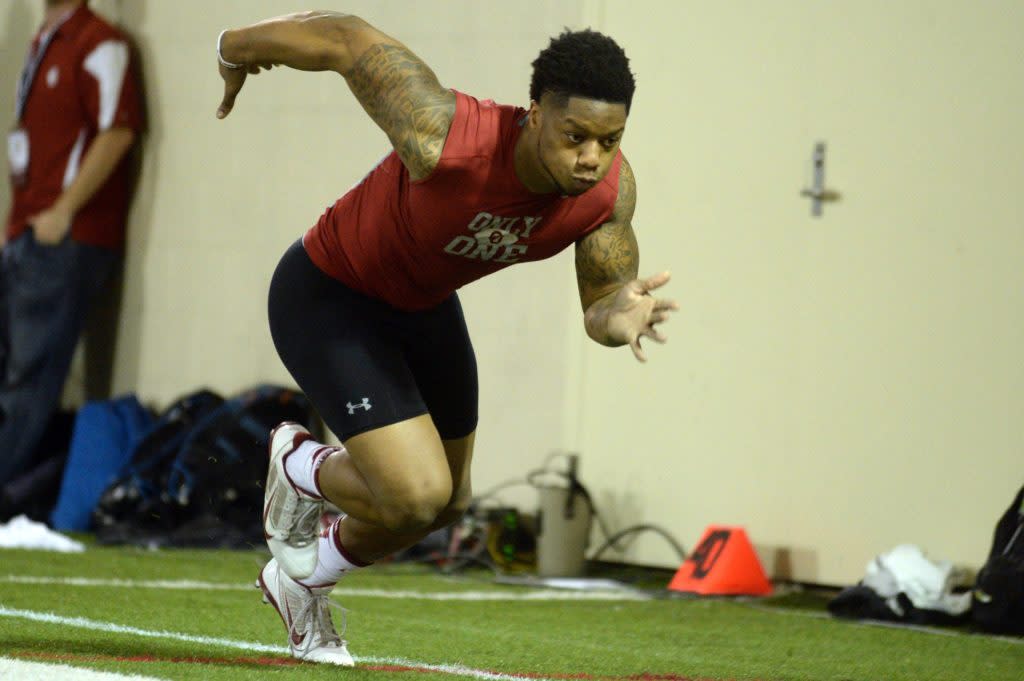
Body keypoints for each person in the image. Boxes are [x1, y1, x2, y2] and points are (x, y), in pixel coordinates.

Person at [215, 11, 677, 666]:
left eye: (610, 139)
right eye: (576, 135)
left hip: (423, 307)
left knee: (446, 504)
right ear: (536, 112)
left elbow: (601, 301)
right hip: (329, 294)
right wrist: (233, 47)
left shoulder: (607, 191)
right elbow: (346, 39)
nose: (590, 158)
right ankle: (297, 462)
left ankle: (300, 580)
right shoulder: (445, 133)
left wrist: (618, 317)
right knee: (414, 493)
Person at [0, 0, 142, 487]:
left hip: (65, 238)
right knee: (12, 370)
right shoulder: (44, 40)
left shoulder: (98, 41)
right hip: (26, 233)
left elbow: (117, 131)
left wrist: (64, 210)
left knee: (28, 377)